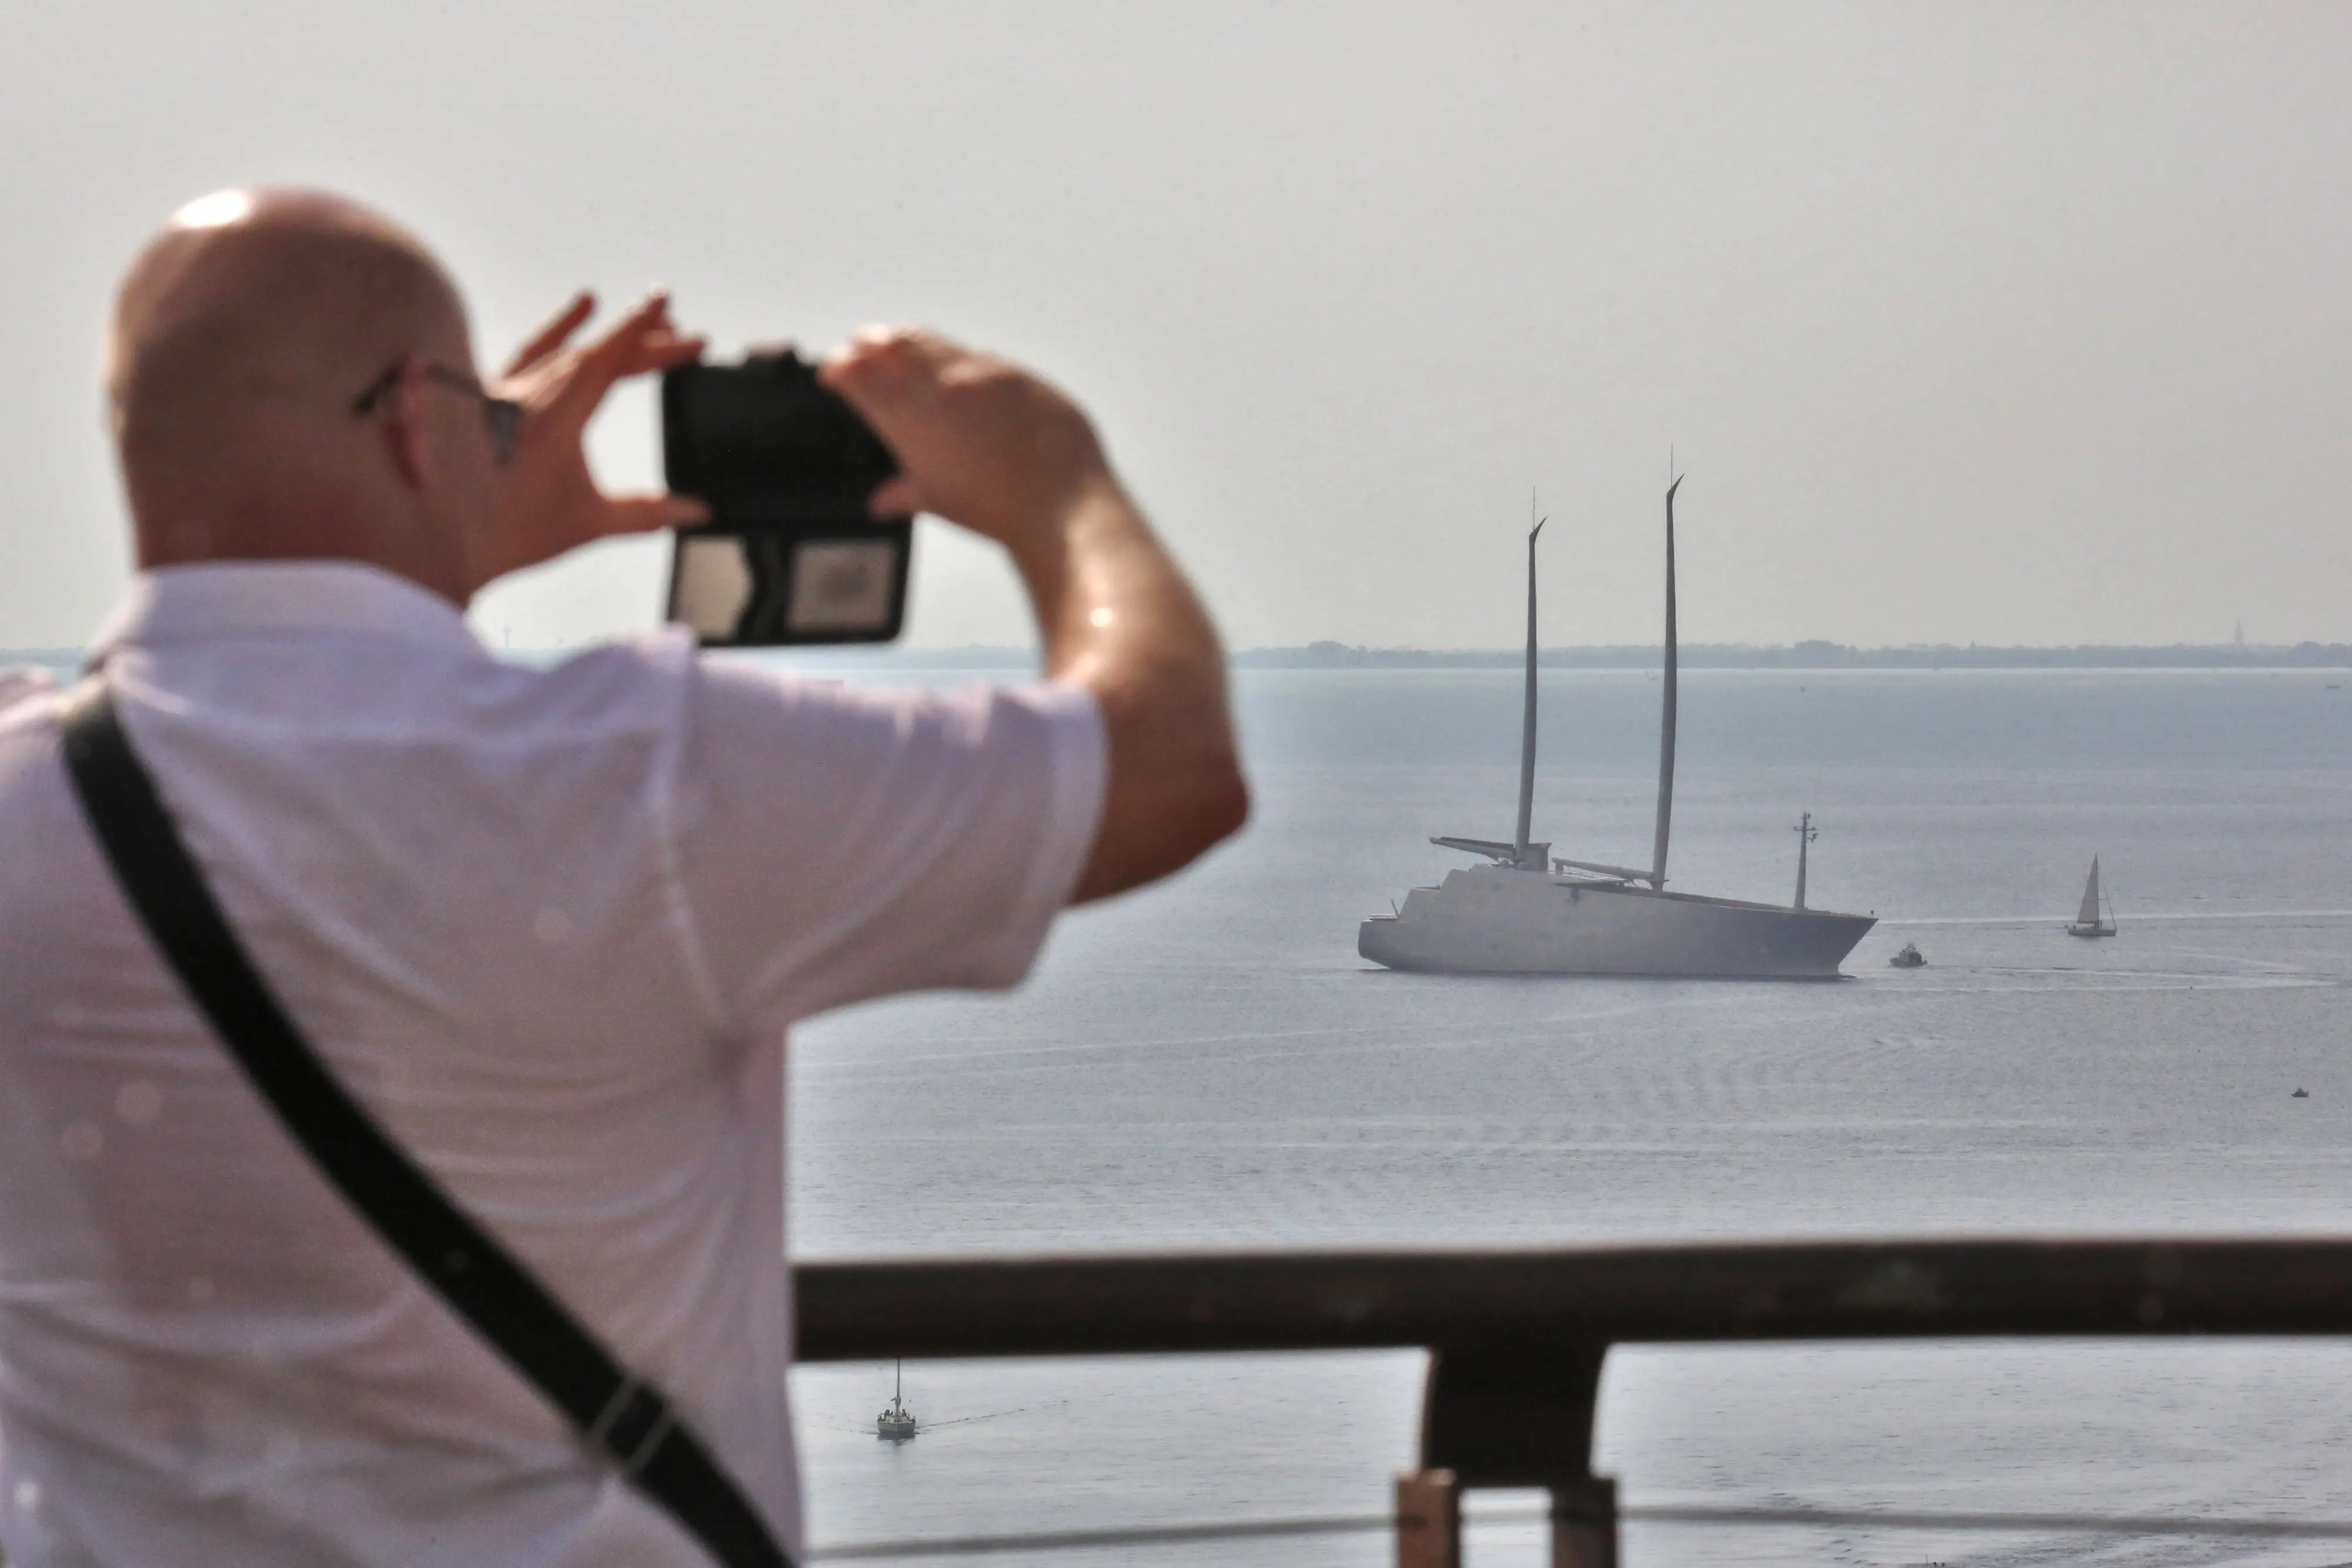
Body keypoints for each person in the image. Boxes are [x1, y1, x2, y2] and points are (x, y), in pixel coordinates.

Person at [0, 189, 1247, 1566]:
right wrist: (1056, 481)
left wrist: (441, 522)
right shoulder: (643, 781)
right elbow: (1167, 769)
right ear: (417, 421)